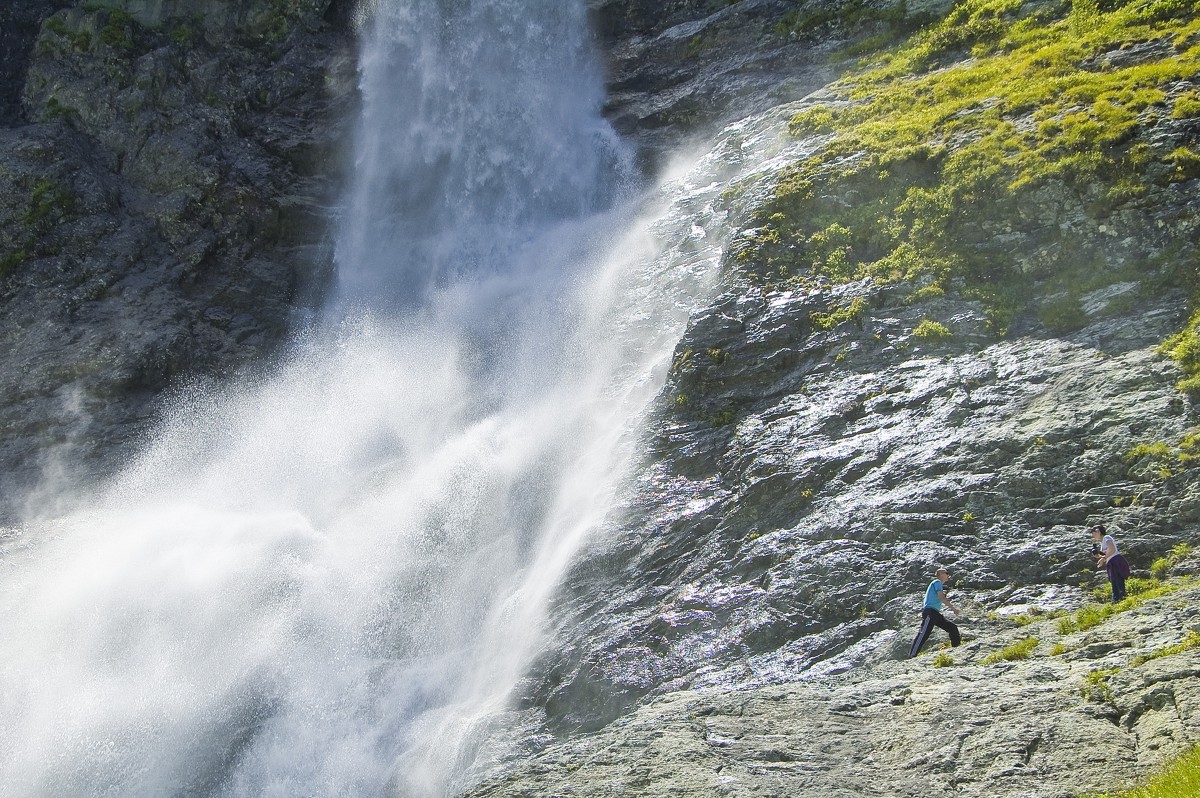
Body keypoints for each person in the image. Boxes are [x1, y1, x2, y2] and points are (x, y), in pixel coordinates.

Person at [909, 567, 961, 658]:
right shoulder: (937, 582)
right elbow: (941, 598)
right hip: (930, 612)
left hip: (935, 613)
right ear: (940, 574)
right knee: (923, 634)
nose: (948, 575)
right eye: (946, 573)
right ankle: (912, 656)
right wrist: (953, 609)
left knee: (952, 628)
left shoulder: (938, 584)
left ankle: (956, 650)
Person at [1092, 525, 1130, 603]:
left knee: (1117, 581)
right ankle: (1118, 599)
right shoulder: (1103, 542)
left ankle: (1120, 599)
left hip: (1115, 560)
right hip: (1112, 562)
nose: (1093, 535)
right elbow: (1106, 553)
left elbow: (1112, 549)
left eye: (1093, 533)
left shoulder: (1107, 538)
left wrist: (1104, 558)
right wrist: (1098, 555)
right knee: (1115, 581)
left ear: (1098, 531)